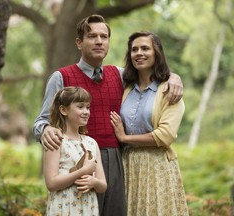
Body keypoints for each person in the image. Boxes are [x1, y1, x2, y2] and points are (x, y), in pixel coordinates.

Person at [33, 14, 183, 216]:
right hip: (77, 161)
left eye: (104, 37)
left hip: (116, 159)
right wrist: (46, 129)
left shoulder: (120, 76)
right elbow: (41, 121)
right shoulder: (61, 77)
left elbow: (150, 73)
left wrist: (174, 77)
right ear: (79, 42)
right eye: (92, 36)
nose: (98, 41)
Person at [110, 31, 189, 215]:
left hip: (156, 166)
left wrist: (125, 137)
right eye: (134, 49)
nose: (139, 53)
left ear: (157, 53)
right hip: (128, 166)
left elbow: (165, 135)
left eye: (145, 48)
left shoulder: (169, 90)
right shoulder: (126, 88)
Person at [44, 86, 107, 215]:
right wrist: (83, 171)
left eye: (88, 107)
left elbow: (103, 185)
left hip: (88, 208)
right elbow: (51, 183)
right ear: (63, 110)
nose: (86, 112)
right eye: (80, 107)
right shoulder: (56, 140)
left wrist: (93, 182)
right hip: (63, 208)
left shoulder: (91, 143)